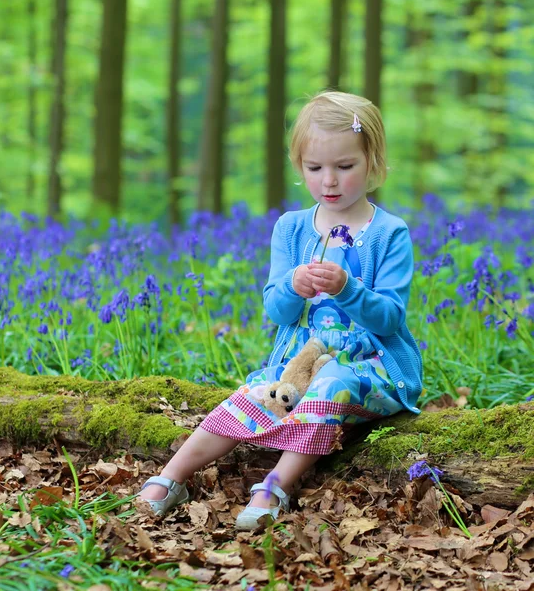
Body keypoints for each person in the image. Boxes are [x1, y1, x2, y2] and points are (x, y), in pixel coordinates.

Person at [137, 90, 423, 530]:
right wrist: (293, 286)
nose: (329, 180)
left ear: (374, 163)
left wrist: (347, 288)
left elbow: (390, 319)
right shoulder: (291, 229)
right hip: (296, 366)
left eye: (344, 166)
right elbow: (278, 311)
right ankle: (170, 477)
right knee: (254, 396)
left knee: (332, 382)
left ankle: (275, 484)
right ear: (299, 167)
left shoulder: (389, 233)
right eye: (315, 168)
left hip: (370, 368)